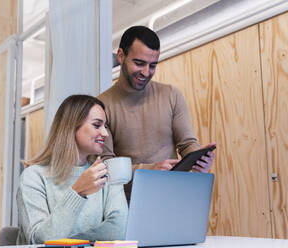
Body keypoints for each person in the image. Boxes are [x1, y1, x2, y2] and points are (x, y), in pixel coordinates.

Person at [98, 26, 216, 200]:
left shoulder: (171, 95)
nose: (146, 72)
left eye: (152, 65)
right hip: (127, 204)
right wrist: (148, 171)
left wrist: (198, 159)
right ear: (121, 56)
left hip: (171, 196)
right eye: (139, 63)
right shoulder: (101, 106)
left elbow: (187, 143)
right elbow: (106, 166)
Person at [16, 95, 128, 244]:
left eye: (105, 126)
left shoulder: (107, 173)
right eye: (97, 125)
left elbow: (119, 230)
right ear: (72, 126)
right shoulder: (33, 177)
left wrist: (71, 242)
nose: (105, 133)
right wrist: (78, 193)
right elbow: (41, 240)